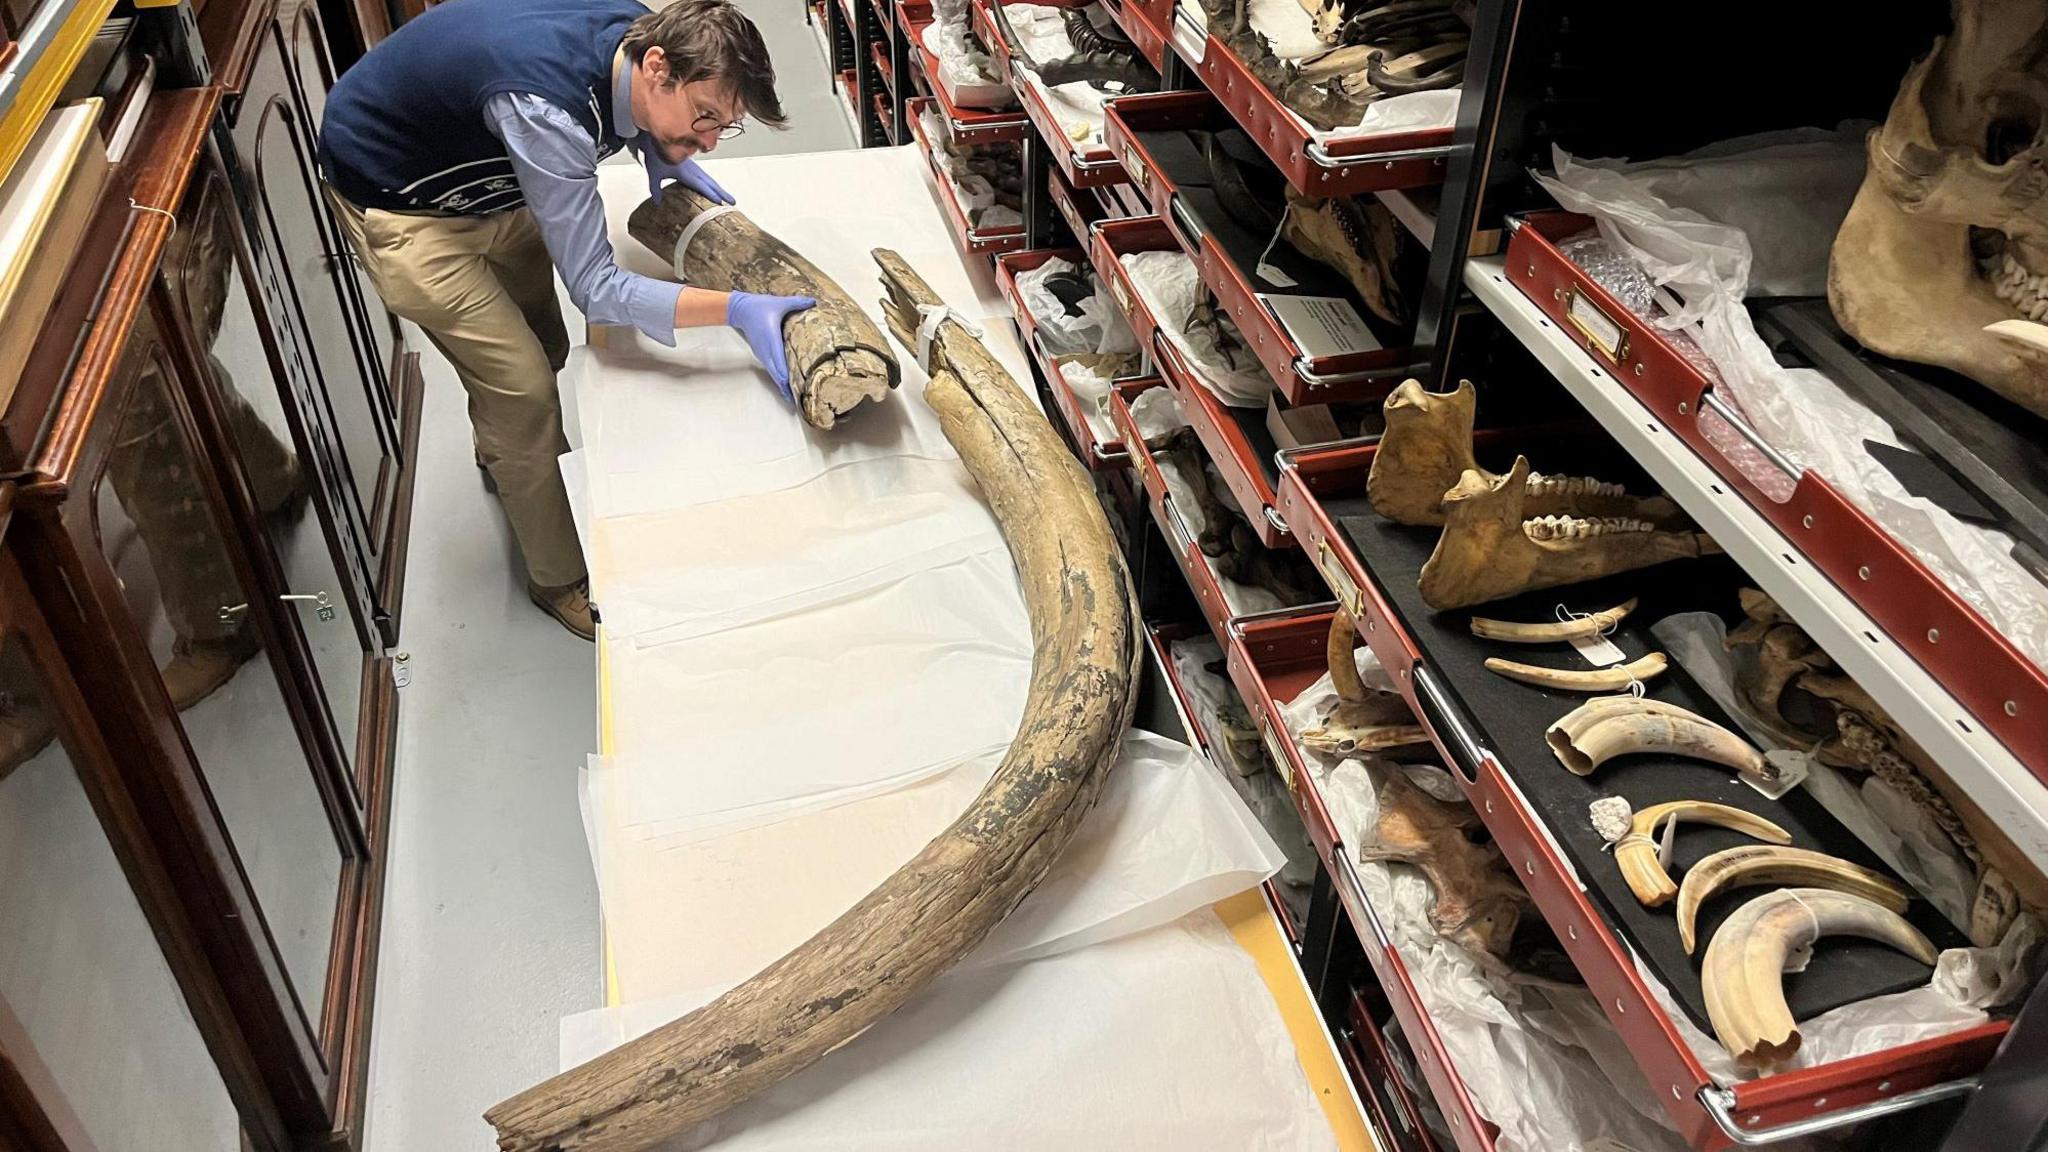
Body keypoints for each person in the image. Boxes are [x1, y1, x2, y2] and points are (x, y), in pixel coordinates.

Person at [319, 0, 816, 640]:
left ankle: (501, 447)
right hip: (405, 202)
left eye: (724, 126)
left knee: (544, 339)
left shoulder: (637, 32)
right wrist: (735, 311)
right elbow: (598, 289)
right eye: (704, 118)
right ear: (658, 68)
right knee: (523, 387)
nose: (711, 141)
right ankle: (555, 577)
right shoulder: (546, 112)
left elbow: (611, 129)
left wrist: (661, 147)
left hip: (487, 167)